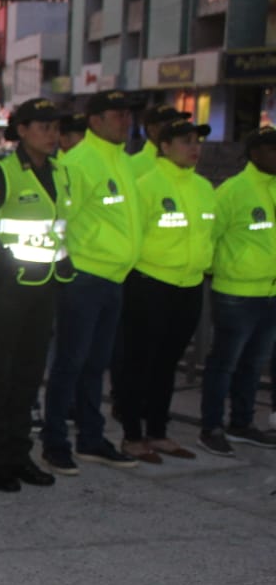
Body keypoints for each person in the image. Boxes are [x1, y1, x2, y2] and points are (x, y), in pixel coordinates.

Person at [41, 89, 144, 474]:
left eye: (127, 115)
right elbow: (60, 222)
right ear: (95, 121)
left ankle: (91, 438)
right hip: (84, 278)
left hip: (114, 278)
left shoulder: (123, 162)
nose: (125, 121)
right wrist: (67, 268)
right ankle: (55, 442)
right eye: (117, 115)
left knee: (95, 364)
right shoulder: (79, 162)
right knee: (71, 362)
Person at [0, 98, 69, 492]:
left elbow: (57, 227)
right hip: (4, 292)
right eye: (42, 127)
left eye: (55, 127)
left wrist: (64, 260)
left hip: (43, 290)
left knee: (29, 378)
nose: (51, 134)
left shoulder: (60, 173)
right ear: (22, 130)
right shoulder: (1, 173)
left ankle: (18, 453)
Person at [112, 118, 216, 461]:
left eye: (197, 141)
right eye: (186, 141)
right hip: (149, 285)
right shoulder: (146, 186)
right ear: (165, 146)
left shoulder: (203, 188)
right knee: (138, 363)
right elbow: (132, 237)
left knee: (167, 364)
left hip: (189, 287)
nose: (194, 147)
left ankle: (158, 432)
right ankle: (132, 435)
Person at [196, 126, 276, 455]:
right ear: (255, 153)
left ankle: (242, 423)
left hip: (270, 292)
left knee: (254, 364)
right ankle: (211, 427)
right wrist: (223, 271)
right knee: (224, 363)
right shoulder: (234, 190)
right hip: (236, 293)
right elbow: (210, 237)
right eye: (272, 150)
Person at [128, 103, 187, 179]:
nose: (176, 130)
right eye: (169, 125)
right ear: (152, 130)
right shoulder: (133, 166)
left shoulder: (183, 163)